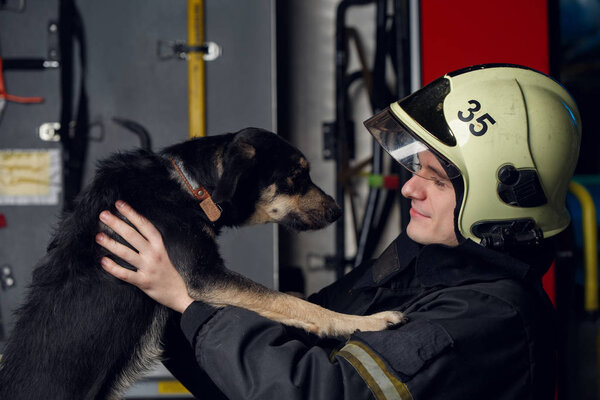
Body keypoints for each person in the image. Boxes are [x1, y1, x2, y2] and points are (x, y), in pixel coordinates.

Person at [96, 64, 581, 399]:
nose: (410, 188)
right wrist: (175, 311)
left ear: (503, 194)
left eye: (435, 179)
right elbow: (275, 360)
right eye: (418, 170)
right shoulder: (417, 269)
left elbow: (317, 391)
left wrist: (190, 303)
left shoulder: (490, 319)